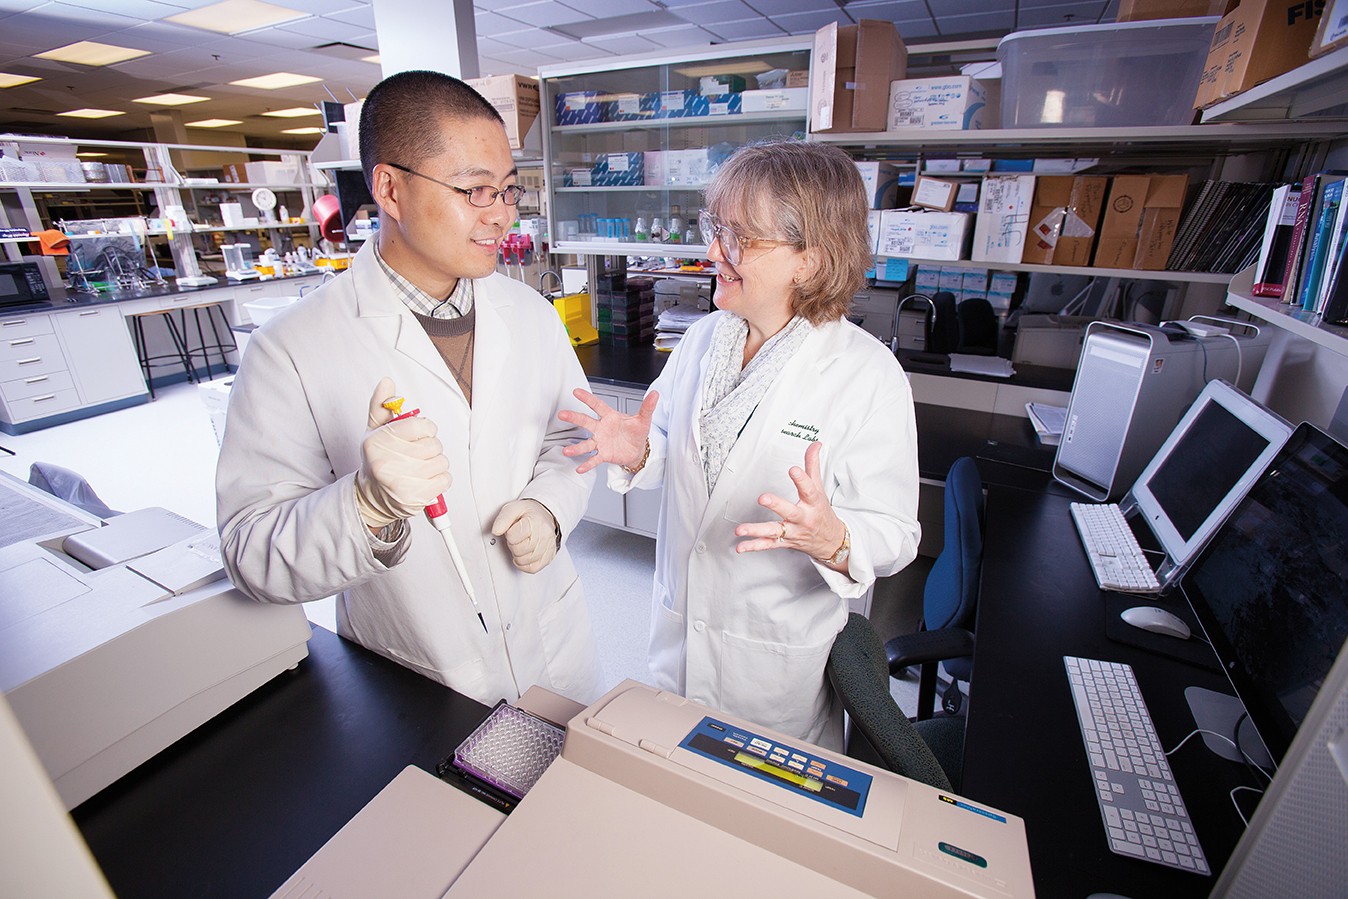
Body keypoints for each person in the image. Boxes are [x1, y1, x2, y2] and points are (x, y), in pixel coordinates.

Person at [217, 70, 603, 706]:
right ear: (390, 189)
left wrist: (551, 508)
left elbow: (570, 436)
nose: (500, 215)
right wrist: (365, 507)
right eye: (474, 190)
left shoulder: (530, 312)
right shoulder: (290, 349)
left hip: (552, 644)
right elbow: (250, 553)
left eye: (508, 190)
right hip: (421, 675)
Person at [560, 140, 921, 749]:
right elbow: (677, 450)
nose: (712, 253)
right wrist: (640, 452)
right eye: (715, 230)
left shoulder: (867, 374)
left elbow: (896, 533)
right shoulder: (704, 340)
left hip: (773, 671)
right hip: (678, 644)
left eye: (738, 238)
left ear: (808, 258)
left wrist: (833, 539)